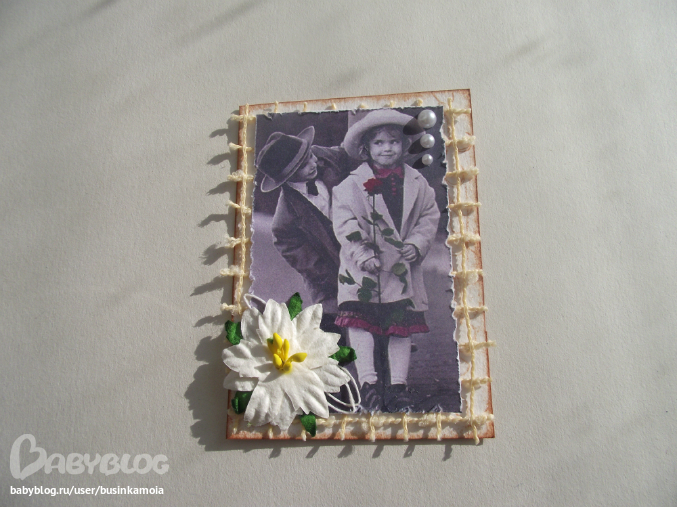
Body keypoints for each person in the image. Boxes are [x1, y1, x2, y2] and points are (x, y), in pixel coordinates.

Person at [332, 110, 440, 412]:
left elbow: (429, 216)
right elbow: (344, 222)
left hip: (401, 269)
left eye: (393, 142)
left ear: (404, 146)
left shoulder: (418, 183)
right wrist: (361, 252)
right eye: (378, 143)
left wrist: (417, 243)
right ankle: (368, 383)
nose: (387, 149)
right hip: (363, 269)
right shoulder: (350, 185)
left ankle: (398, 386)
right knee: (361, 323)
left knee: (399, 326)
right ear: (366, 149)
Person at [256, 126, 354, 330]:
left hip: (359, 245)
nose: (313, 163)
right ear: (287, 177)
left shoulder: (323, 157)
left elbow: (350, 151)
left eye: (309, 156)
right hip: (330, 275)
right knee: (336, 320)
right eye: (303, 166)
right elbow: (311, 265)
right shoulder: (284, 223)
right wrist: (343, 280)